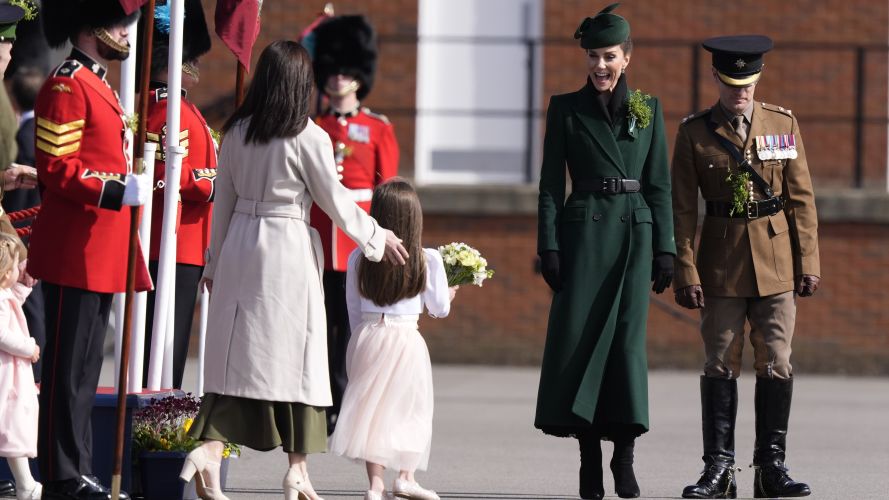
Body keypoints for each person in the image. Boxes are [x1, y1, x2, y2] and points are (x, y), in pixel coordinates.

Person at [182, 40, 408, 500]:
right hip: (285, 246)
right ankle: (296, 469)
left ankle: (208, 448)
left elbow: (220, 203)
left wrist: (214, 262)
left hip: (241, 243)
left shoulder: (236, 131)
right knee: (300, 357)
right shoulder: (308, 136)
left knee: (235, 357)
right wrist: (375, 236)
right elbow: (335, 199)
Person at [534, 4, 675, 499]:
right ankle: (589, 460)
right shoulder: (565, 108)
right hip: (584, 239)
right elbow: (551, 185)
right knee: (583, 345)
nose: (599, 65)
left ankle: (625, 457)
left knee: (625, 348)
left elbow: (659, 185)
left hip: (634, 239)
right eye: (593, 55)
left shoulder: (650, 110)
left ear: (627, 58)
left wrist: (667, 249)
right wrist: (548, 245)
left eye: (609, 56)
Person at [671, 35, 819, 499]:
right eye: (733, 83)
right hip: (720, 264)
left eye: (748, 83)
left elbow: (801, 199)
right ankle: (719, 469)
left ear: (758, 78)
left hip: (776, 263)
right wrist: (686, 270)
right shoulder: (695, 132)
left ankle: (770, 468)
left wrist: (808, 262)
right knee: (719, 363)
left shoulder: (782, 124)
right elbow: (681, 210)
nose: (741, 92)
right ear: (717, 77)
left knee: (776, 362)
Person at [28, 1, 152, 498]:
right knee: (65, 372)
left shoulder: (96, 83)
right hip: (74, 248)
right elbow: (57, 167)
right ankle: (61, 473)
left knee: (84, 370)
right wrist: (118, 189)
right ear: (92, 24)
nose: (126, 30)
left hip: (98, 248)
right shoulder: (67, 83)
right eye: (119, 20)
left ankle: (77, 467)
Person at [330, 178, 455, 500]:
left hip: (368, 335)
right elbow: (439, 309)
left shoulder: (358, 258)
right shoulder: (427, 259)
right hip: (406, 338)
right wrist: (451, 292)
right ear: (415, 218)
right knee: (411, 409)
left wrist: (361, 339)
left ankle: (375, 486)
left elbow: (352, 309)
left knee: (374, 412)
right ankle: (406, 477)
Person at [307, 14, 399, 433]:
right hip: (319, 237)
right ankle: (323, 396)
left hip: (358, 236)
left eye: (346, 72)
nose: (339, 79)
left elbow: (388, 190)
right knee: (320, 323)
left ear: (359, 78)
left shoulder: (377, 128)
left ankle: (347, 398)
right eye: (334, 71)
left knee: (353, 327)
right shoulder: (312, 126)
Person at [141, 0, 215, 390]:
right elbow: (162, 173)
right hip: (169, 243)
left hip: (186, 243)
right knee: (162, 349)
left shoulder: (181, 107)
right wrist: (212, 184)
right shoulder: (163, 108)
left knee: (171, 345)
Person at [3, 66, 46, 384]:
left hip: (18, 233)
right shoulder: (37, 131)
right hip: (23, 232)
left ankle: (31, 364)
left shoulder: (21, 135)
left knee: (22, 307)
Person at [0, 233, 41, 500]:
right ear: (5, 273)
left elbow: (14, 297)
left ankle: (26, 483)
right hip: (7, 376)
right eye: (15, 266)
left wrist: (25, 283)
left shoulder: (4, 294)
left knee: (13, 426)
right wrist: (29, 347)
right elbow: (2, 334)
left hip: (12, 374)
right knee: (12, 426)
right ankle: (26, 485)